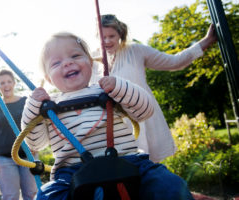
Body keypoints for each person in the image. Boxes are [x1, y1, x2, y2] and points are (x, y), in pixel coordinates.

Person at [21, 32, 194, 199]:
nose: (67, 63)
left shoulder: (107, 91)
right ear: (48, 79)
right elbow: (36, 142)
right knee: (45, 195)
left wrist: (120, 86)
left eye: (75, 56)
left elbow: (144, 111)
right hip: (71, 171)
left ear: (90, 62)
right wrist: (33, 106)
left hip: (127, 159)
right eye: (56, 63)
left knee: (169, 184)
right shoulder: (48, 107)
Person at [92, 14, 218, 163]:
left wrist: (207, 41)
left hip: (139, 118)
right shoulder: (91, 60)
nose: (107, 41)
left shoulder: (136, 51)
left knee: (145, 168)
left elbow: (174, 62)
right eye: (102, 37)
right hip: (111, 126)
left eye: (111, 36)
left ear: (120, 33)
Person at [0, 69, 37, 200]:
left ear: (14, 83)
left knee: (31, 194)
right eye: (2, 83)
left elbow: (35, 124)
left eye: (8, 82)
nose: (6, 85)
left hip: (27, 155)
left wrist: (35, 145)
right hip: (3, 158)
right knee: (10, 196)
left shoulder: (25, 101)